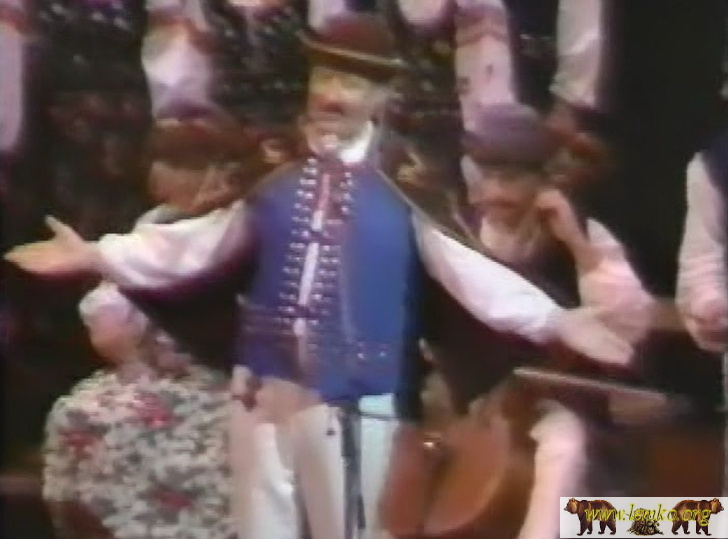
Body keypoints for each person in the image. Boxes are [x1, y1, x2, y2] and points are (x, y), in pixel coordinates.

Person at [6, 14, 634, 539]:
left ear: (382, 97)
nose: (333, 95)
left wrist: (555, 319)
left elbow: (468, 271)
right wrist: (100, 255)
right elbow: (200, 242)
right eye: (326, 77)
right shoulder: (272, 175)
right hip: (266, 388)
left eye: (353, 83)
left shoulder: (405, 185)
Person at [449, 103, 652, 539]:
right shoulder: (454, 232)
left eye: (511, 179)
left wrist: (579, 248)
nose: (495, 193)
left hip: (555, 404)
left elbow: (628, 328)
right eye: (488, 177)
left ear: (542, 181)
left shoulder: (580, 233)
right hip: (466, 403)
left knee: (565, 445)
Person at [43, 281, 234, 539]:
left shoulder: (229, 395)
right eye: (158, 326)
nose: (166, 338)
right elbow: (64, 504)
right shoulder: (80, 409)